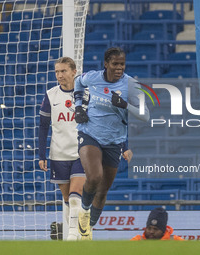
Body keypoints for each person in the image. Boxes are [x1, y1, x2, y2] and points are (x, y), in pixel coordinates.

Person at [74, 47, 150, 240]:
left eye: (122, 64)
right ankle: (83, 212)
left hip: (114, 141)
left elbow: (145, 116)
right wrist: (78, 107)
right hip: (90, 134)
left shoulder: (131, 85)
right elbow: (78, 82)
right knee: (94, 177)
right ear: (106, 64)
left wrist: (125, 105)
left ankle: (88, 228)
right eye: (115, 64)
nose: (119, 68)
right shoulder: (93, 77)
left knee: (103, 190)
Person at [38, 57, 86, 241]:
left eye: (63, 71)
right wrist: (41, 154)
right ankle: (79, 230)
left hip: (82, 153)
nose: (59, 75)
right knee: (68, 200)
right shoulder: (51, 95)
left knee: (75, 196)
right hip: (59, 154)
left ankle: (72, 237)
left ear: (74, 71)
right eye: (57, 72)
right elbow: (43, 126)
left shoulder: (87, 94)